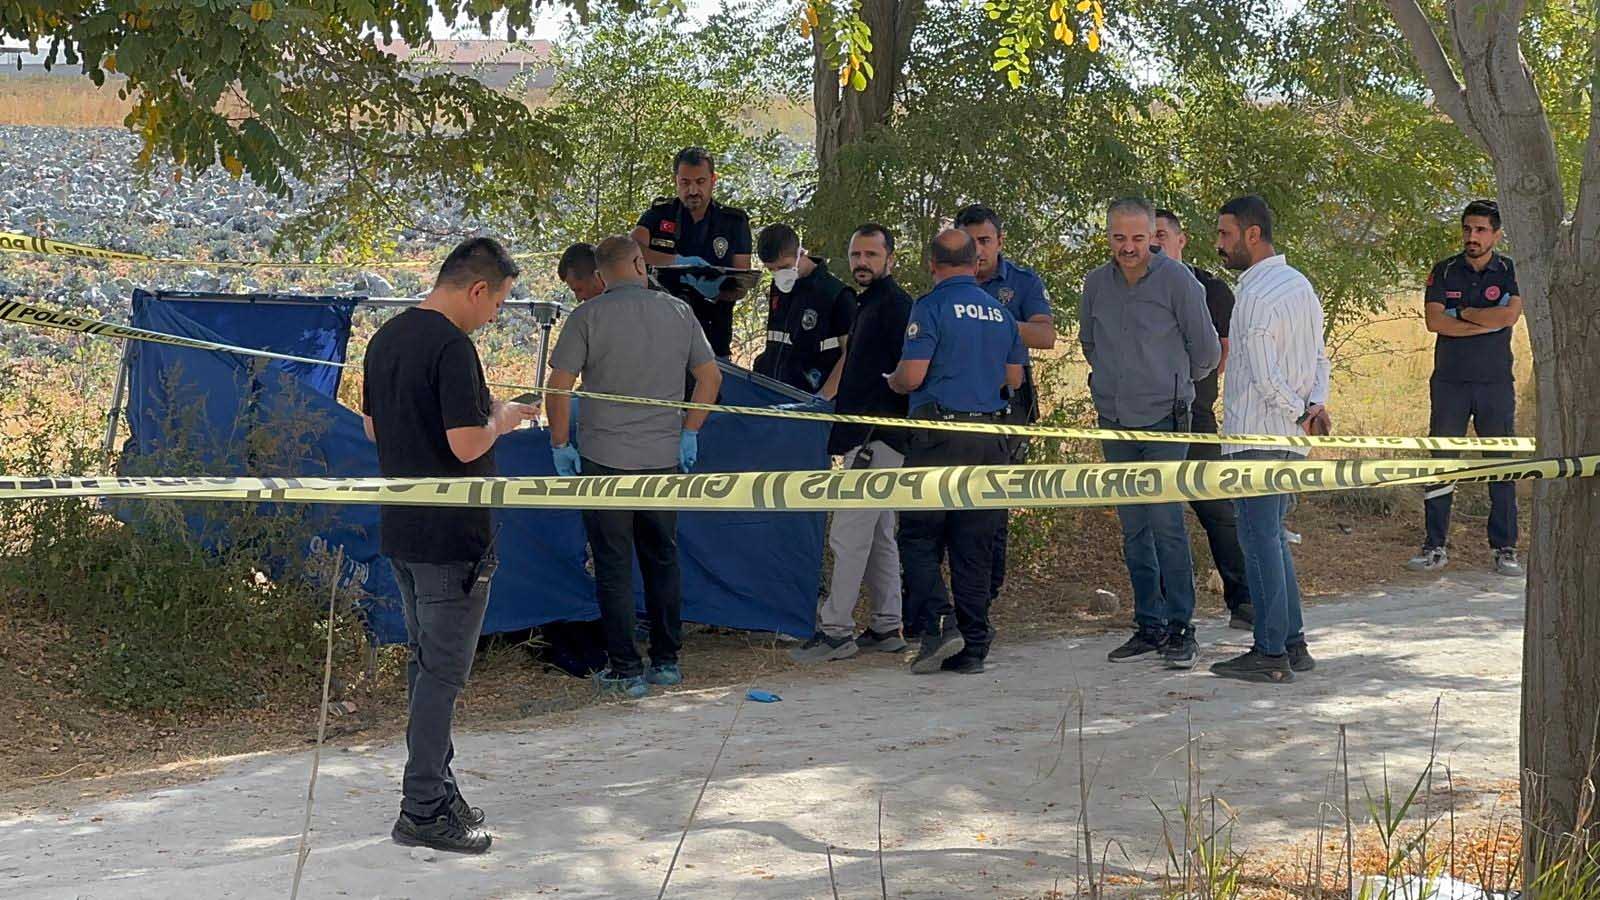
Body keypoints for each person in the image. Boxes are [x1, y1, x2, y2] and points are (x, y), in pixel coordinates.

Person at [361, 237, 540, 854]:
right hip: (451, 539)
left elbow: (372, 425)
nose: (494, 317)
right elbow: (467, 443)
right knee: (442, 675)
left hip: (404, 530)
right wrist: (504, 418)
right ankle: (423, 808)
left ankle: (439, 786)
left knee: (425, 665)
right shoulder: (452, 347)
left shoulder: (386, 337)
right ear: (477, 290)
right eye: (498, 304)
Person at [546, 236, 722, 699]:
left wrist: (560, 443)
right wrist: (691, 430)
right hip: (663, 459)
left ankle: (625, 669)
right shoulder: (679, 312)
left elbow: (558, 386)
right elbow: (711, 376)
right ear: (640, 264)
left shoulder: (586, 317)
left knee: (613, 565)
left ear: (601, 276)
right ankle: (667, 661)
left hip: (605, 460)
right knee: (662, 558)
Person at [1080, 197, 1221, 670]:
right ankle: (1148, 624)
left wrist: (1172, 385)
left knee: (1166, 525)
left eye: (1138, 238)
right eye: (1119, 238)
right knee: (1134, 528)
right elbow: (1089, 343)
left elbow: (1205, 352)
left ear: (1153, 237)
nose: (1129, 247)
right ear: (1108, 238)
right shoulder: (1096, 284)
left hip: (1165, 420)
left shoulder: (1178, 281)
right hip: (1115, 423)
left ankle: (1183, 628)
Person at [888, 229, 1025, 676]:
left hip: (938, 437)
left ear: (933, 265)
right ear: (975, 262)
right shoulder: (1001, 313)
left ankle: (940, 621)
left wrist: (892, 381)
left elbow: (913, 375)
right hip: (990, 439)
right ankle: (974, 647)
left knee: (918, 535)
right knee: (974, 545)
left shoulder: (929, 307)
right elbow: (1015, 379)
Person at [1211, 194, 1330, 685]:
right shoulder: (1300, 284)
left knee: (1258, 543)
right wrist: (1312, 408)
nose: (1219, 244)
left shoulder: (1256, 295)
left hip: (1258, 436)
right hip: (1287, 437)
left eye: (1224, 234)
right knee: (1273, 542)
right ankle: (1292, 643)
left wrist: (1300, 410)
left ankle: (1269, 651)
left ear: (1252, 234)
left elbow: (1263, 375)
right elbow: (1320, 359)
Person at [790, 223, 914, 664]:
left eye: (872, 255)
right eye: (856, 255)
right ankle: (885, 626)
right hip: (865, 437)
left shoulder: (898, 306)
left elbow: (910, 372)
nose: (863, 262)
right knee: (880, 534)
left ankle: (835, 631)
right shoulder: (866, 304)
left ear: (890, 260)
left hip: (876, 438)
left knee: (847, 534)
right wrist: (821, 399)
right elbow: (853, 364)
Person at [1407, 200, 1524, 577]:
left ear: (1496, 234)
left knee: (1500, 466)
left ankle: (1505, 548)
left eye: (1481, 230)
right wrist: (1482, 321)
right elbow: (1433, 321)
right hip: (1450, 382)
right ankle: (1435, 546)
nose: (1472, 237)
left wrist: (1464, 313)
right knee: (1442, 464)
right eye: (1467, 229)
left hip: (1495, 383)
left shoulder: (1509, 270)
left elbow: (1509, 316)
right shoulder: (1444, 271)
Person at [1152, 208, 1255, 630]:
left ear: (1181, 239)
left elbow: (1220, 355)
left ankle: (1244, 601)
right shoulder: (1128, 286)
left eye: (1160, 234)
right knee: (1156, 516)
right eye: (1147, 235)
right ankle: (1162, 614)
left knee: (1217, 510)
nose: (1153, 243)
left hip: (1194, 414)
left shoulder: (1210, 289)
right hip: (1143, 419)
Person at [955, 204, 1055, 607]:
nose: (978, 250)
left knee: (993, 501)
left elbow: (1045, 336)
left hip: (1006, 401)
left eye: (985, 241)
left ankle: (987, 595)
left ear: (1000, 242)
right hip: (956, 401)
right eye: (970, 242)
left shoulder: (1021, 282)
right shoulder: (947, 280)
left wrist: (990, 321)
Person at [631, 147, 753, 359]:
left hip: (712, 336)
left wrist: (715, 292)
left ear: (713, 180)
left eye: (700, 182)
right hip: (661, 334)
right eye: (685, 183)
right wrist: (675, 261)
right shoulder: (660, 214)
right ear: (675, 181)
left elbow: (741, 283)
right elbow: (631, 250)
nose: (693, 190)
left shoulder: (734, 222)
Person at [752, 223, 854, 397]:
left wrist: (823, 396)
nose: (778, 274)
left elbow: (851, 354)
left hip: (813, 398)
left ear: (800, 253)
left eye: (784, 267)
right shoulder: (778, 288)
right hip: (774, 394)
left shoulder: (836, 294)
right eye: (771, 270)